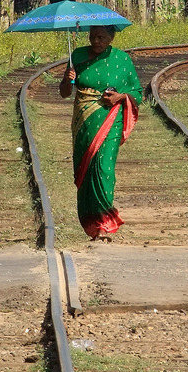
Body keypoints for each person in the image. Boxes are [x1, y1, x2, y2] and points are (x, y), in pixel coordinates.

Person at [60, 25, 143, 240]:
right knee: (85, 171)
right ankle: (91, 223)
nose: (96, 41)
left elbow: (137, 91)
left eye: (101, 37)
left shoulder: (122, 59)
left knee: (104, 168)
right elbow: (64, 92)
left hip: (110, 119)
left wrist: (119, 97)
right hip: (84, 122)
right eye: (92, 37)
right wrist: (68, 79)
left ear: (111, 38)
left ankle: (105, 223)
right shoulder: (77, 56)